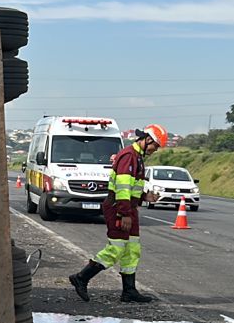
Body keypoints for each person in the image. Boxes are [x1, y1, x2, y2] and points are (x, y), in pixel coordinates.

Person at [69, 124, 167, 303]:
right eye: (155, 146)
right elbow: (122, 188)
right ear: (148, 140)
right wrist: (124, 214)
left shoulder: (137, 157)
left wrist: (145, 197)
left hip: (129, 208)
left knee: (132, 250)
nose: (155, 150)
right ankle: (81, 278)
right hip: (119, 208)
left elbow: (131, 188)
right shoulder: (129, 156)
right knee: (116, 248)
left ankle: (129, 291)